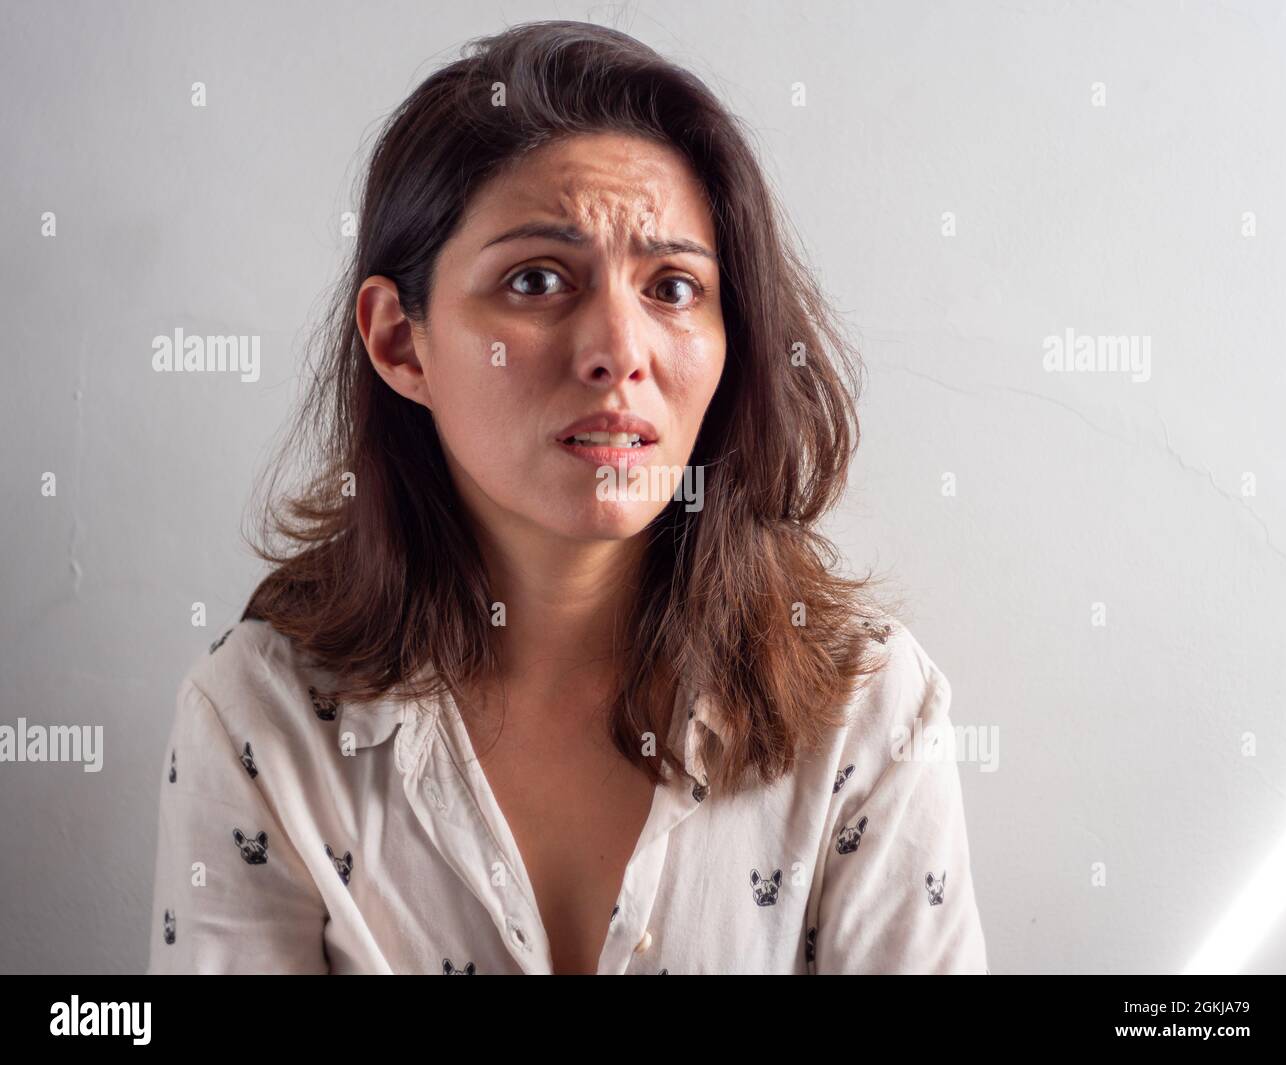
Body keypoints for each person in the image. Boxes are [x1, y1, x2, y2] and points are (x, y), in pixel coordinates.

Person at [145, 19, 989, 975]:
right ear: (399, 343)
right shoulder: (264, 721)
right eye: (537, 279)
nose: (619, 350)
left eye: (673, 287)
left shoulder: (864, 712)